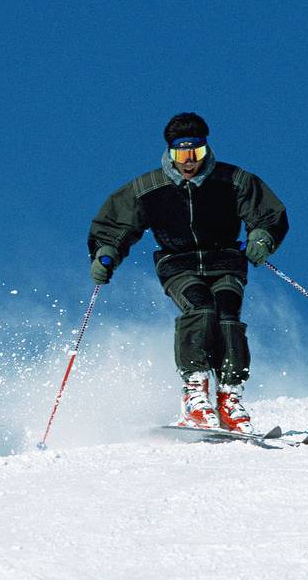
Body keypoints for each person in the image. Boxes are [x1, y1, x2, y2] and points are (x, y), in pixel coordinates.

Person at [88, 112, 288, 432]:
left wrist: (262, 238)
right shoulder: (149, 187)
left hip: (223, 258)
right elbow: (115, 224)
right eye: (182, 153)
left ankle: (229, 397)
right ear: (170, 152)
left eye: (196, 152)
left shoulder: (233, 180)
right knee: (200, 308)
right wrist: (106, 252)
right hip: (177, 261)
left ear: (206, 150)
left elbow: (266, 214)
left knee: (226, 313)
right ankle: (195, 393)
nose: (189, 161)